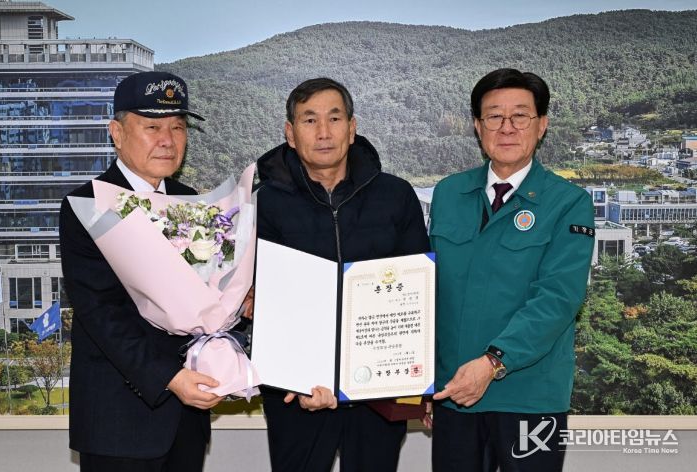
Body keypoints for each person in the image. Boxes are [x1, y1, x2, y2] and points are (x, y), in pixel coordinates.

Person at [255, 77, 430, 472]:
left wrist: (415, 383)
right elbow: (264, 301)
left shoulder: (396, 195)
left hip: (379, 387)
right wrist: (301, 377)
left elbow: (419, 296)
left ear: (352, 129)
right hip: (296, 393)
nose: (323, 132)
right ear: (290, 133)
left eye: (334, 119)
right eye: (309, 120)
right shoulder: (264, 204)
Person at [428, 68, 595, 471]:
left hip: (529, 396)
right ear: (477, 126)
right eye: (494, 116)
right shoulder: (448, 193)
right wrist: (422, 381)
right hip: (455, 391)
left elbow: (557, 299)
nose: (507, 127)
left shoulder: (569, 202)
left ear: (542, 125)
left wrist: (493, 362)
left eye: (520, 116)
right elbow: (427, 290)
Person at [60, 71, 223, 472]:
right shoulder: (88, 205)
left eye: (177, 127)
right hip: (118, 421)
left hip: (186, 420)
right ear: (117, 133)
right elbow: (102, 313)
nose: (167, 139)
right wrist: (170, 377)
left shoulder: (194, 203)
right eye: (152, 127)